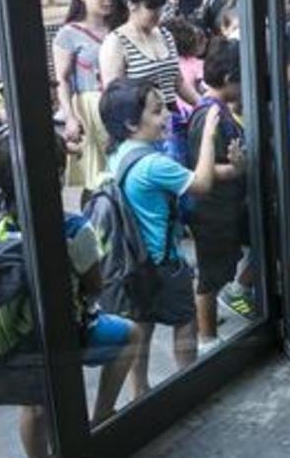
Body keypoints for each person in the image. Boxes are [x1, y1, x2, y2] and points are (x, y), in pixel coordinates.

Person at [0, 133, 136, 457]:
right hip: (68, 333)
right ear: (57, 173)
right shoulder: (73, 228)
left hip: (12, 339)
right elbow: (95, 284)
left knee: (34, 407)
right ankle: (102, 414)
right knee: (131, 334)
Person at [99, 77, 222, 397]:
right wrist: (208, 135)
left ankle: (139, 389)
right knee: (185, 319)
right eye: (156, 111)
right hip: (162, 261)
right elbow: (202, 183)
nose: (166, 115)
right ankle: (189, 381)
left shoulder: (118, 153)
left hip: (133, 261)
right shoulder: (154, 164)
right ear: (130, 123)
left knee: (142, 323)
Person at [186, 41, 253, 352]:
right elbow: (203, 168)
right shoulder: (209, 114)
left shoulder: (219, 109)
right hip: (210, 209)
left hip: (225, 207)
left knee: (217, 268)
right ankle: (207, 337)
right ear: (228, 79)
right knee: (209, 277)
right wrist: (236, 169)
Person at [54, 0, 117, 191]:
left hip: (117, 103)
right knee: (95, 179)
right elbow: (62, 79)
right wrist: (70, 117)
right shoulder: (68, 33)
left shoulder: (117, 29)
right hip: (88, 107)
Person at [99, 0, 200, 112]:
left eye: (160, 8)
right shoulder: (116, 42)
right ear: (132, 5)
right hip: (141, 120)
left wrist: (202, 104)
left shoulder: (165, 35)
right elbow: (114, 96)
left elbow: (178, 82)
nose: (158, 13)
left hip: (172, 116)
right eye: (152, 8)